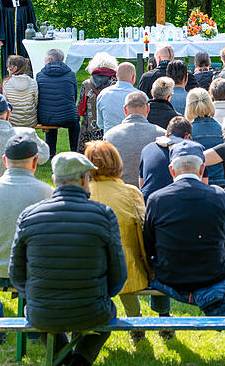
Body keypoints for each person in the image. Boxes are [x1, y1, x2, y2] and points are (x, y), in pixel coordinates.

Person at [10, 152, 126, 364]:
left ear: (54, 181)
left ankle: (64, 359)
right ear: (85, 179)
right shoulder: (104, 215)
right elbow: (119, 274)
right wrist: (100, 294)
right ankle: (79, 361)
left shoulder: (28, 216)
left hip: (42, 312)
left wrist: (34, 295)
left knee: (37, 313)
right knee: (108, 313)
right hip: (93, 311)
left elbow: (16, 274)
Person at [144, 141, 225, 320]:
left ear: (171, 170)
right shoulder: (219, 195)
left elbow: (149, 244)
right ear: (202, 169)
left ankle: (163, 316)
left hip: (170, 276)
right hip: (213, 274)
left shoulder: (156, 199)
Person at [0, 134, 53, 336]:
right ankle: (33, 330)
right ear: (35, 162)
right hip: (31, 273)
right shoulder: (47, 192)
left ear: (4, 161)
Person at [83, 141, 156, 343]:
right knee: (127, 271)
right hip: (128, 268)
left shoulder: (83, 194)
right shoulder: (131, 193)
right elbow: (144, 231)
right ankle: (136, 324)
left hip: (90, 271)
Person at [36, 49, 80, 156]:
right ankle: (75, 150)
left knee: (50, 114)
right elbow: (74, 96)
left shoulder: (40, 75)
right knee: (74, 122)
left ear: (50, 59)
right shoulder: (71, 74)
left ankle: (51, 152)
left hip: (46, 116)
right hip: (68, 116)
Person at [139, 117, 192, 200]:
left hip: (148, 201)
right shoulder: (191, 148)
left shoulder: (146, 149)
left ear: (166, 136)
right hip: (176, 201)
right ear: (187, 137)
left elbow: (142, 183)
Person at [0, 0, 37, 78]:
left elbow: (32, 19)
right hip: (8, 37)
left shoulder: (26, 1)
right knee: (9, 59)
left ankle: (26, 78)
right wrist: (0, 38)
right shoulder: (3, 2)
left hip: (23, 35)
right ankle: (8, 80)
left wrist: (35, 33)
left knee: (24, 58)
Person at [74, 52, 118, 152]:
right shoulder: (116, 83)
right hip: (111, 127)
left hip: (91, 130)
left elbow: (80, 110)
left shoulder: (87, 84)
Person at [96, 62, 138, 134]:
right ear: (133, 77)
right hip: (133, 139)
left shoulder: (103, 94)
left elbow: (100, 124)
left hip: (110, 140)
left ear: (117, 76)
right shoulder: (140, 96)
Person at [2, 54, 38, 128]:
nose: (7, 69)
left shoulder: (6, 84)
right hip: (30, 121)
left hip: (12, 122)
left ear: (14, 68)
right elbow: (36, 101)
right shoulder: (32, 82)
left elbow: (5, 103)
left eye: (9, 67)